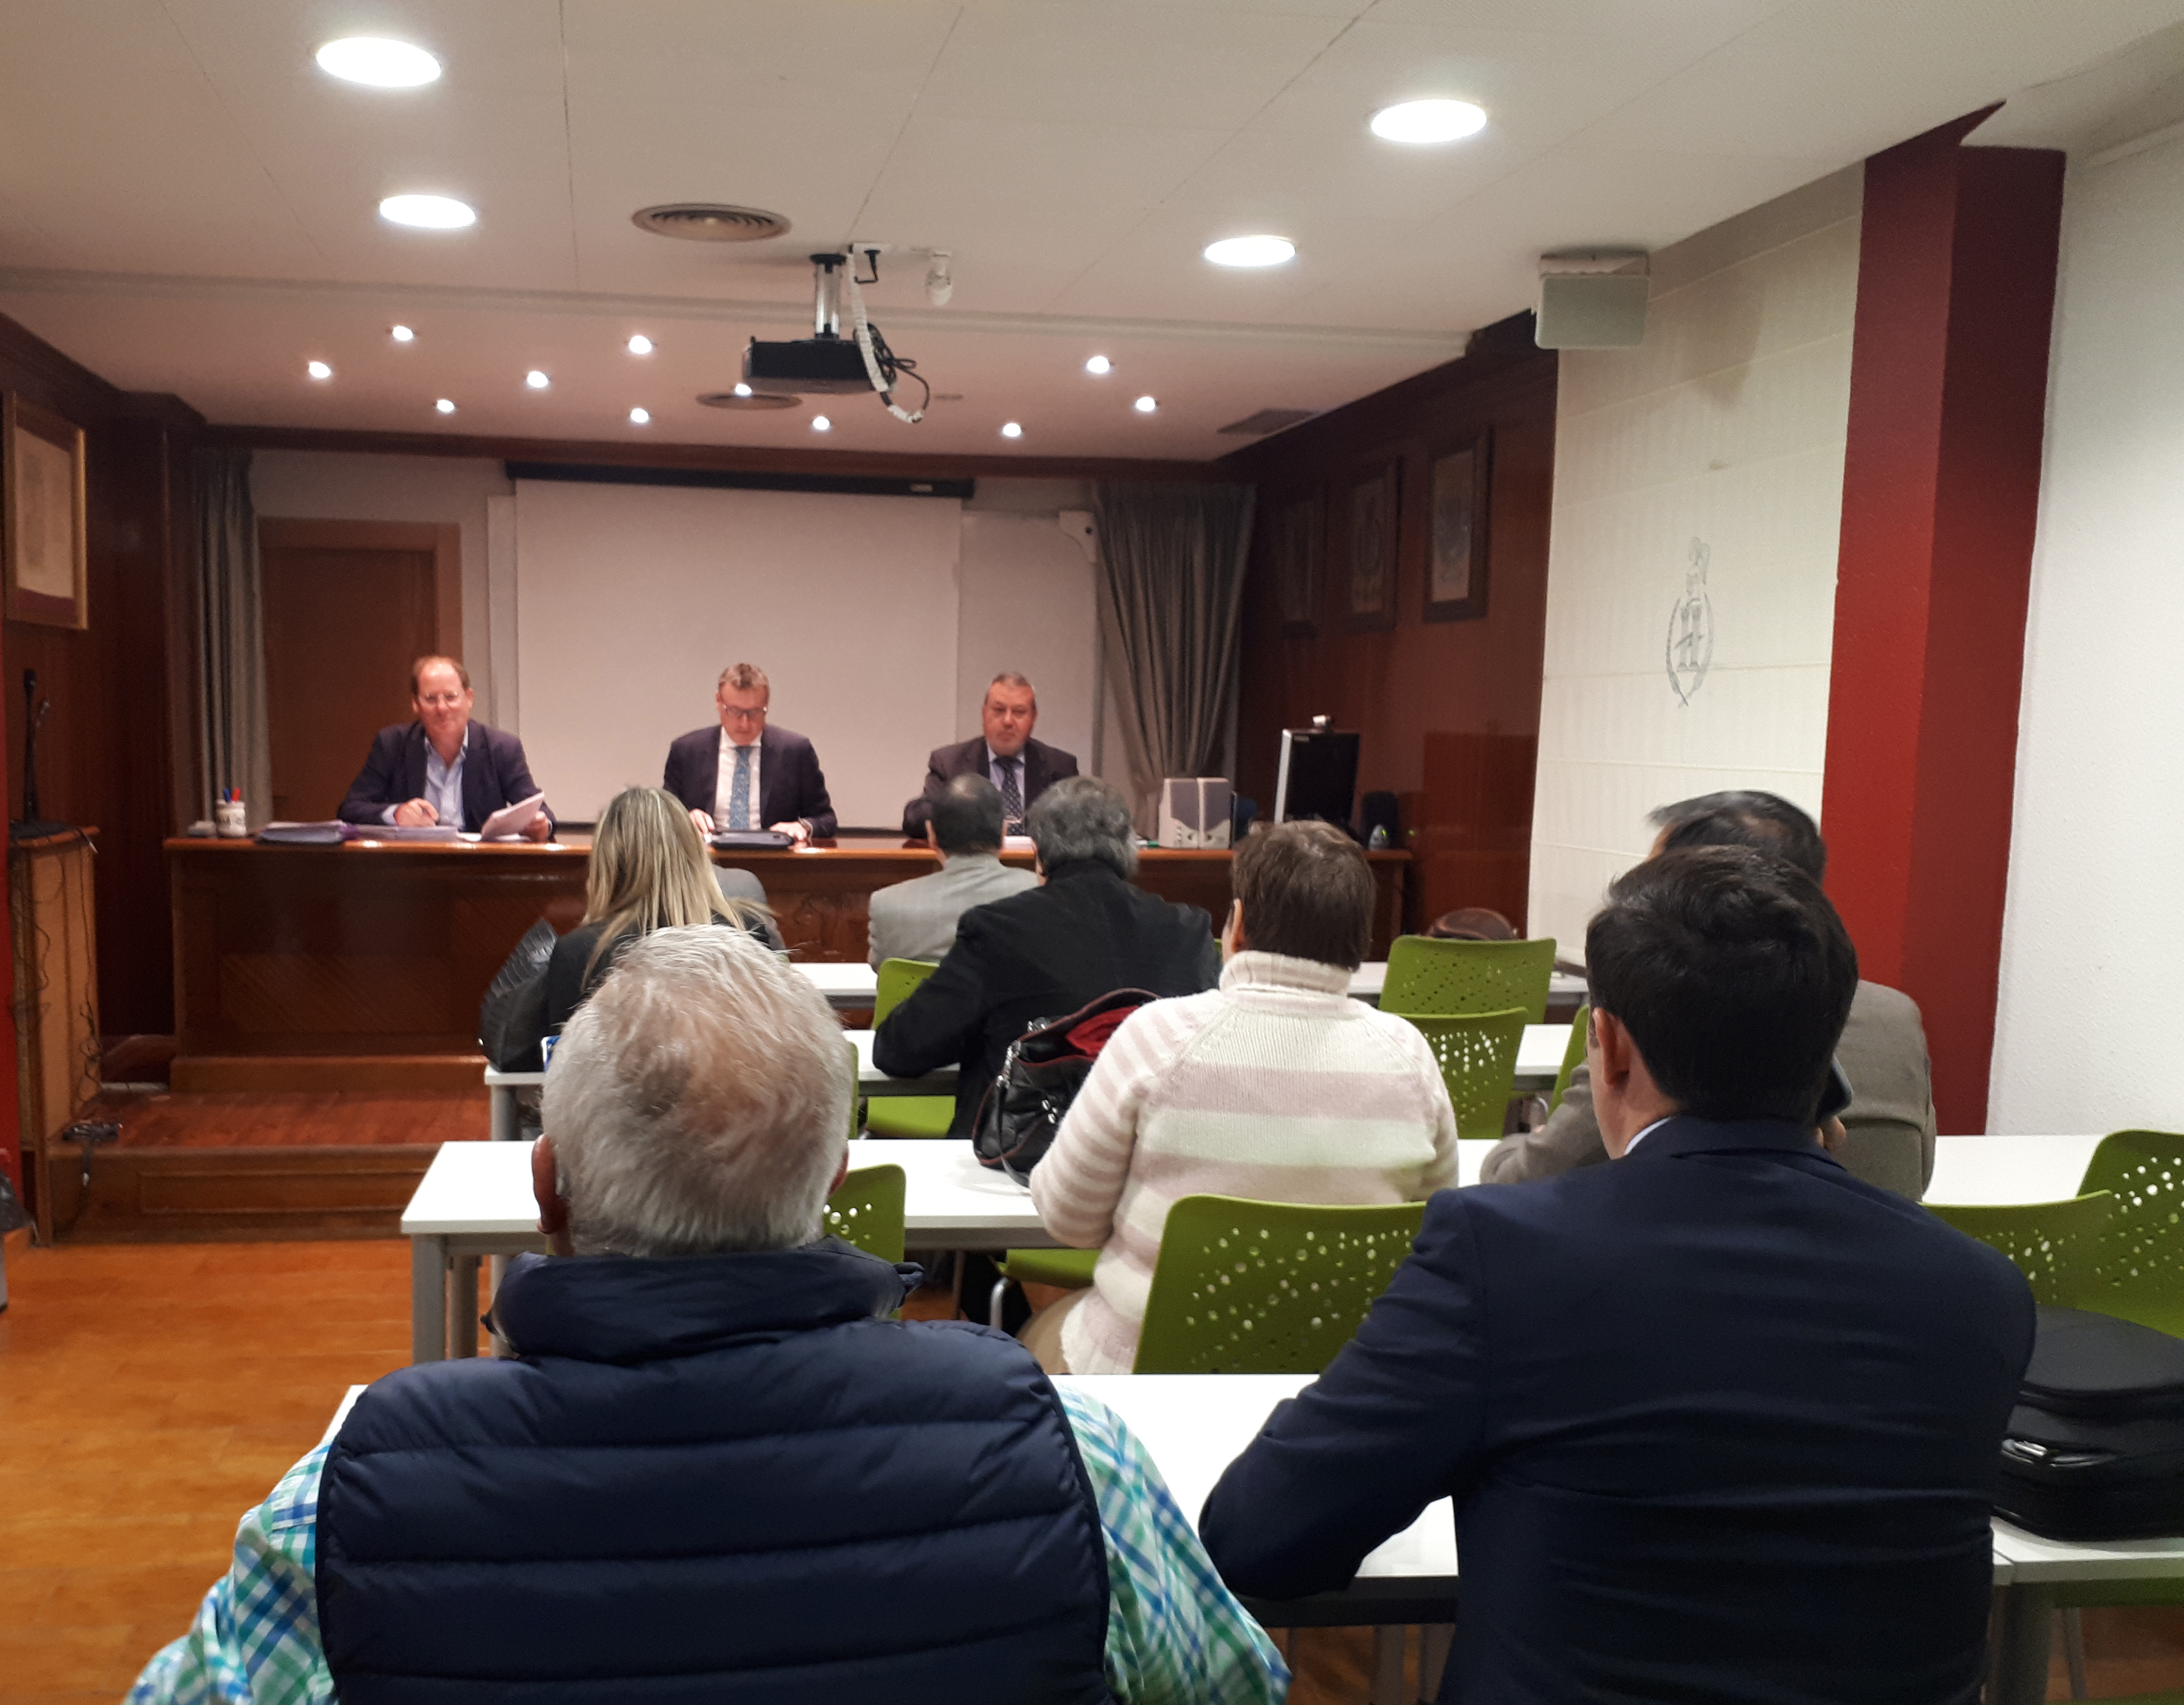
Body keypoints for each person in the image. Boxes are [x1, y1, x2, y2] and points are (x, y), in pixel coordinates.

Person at [129, 927, 1290, 1705]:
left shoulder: (347, 1497)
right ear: (838, 1186)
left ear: (548, 1190)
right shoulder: (1071, 1457)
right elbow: (1238, 1684)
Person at [1200, 847, 2035, 1704]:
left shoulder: (1507, 1255)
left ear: (1611, 1047)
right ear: (1826, 1059)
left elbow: (1259, 1535)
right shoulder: (1980, 1295)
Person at [1025, 819, 1458, 1375]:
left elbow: (1067, 1217)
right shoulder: (1409, 1054)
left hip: (1147, 1372)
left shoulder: (1157, 1037)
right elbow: (1434, 1227)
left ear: (1239, 926)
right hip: (1340, 1377)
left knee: (1033, 1340)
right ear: (1359, 938)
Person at [1484, 789, 1939, 1198]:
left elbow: (1526, 1181)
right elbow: (1918, 1172)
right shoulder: (1896, 1018)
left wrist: (1509, 1149)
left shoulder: (1656, 1013)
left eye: (1657, 880)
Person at [875, 776, 1220, 1137]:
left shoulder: (999, 929)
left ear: (1038, 852)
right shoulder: (1189, 930)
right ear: (1129, 848)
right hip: (1155, 1148)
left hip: (1024, 1151)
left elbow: (900, 1049)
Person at [540, 786, 771, 1038]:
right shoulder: (747, 929)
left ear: (607, 862)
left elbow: (563, 1059)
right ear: (692, 850)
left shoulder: (582, 953)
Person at [338, 655, 553, 837]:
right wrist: (397, 814)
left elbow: (540, 812)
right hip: (411, 865)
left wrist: (540, 825)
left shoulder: (502, 748)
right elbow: (351, 809)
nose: (442, 708)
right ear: (416, 704)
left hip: (481, 865)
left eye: (451, 697)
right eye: (431, 699)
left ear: (469, 699)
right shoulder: (392, 744)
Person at [868, 773, 1036, 968]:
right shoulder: (1040, 895)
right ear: (1004, 832)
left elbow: (881, 968)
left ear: (931, 834)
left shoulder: (887, 906)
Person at [662, 661, 837, 842]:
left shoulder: (795, 751)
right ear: (718, 701)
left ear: (766, 705)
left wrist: (803, 826)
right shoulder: (687, 751)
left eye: (755, 712)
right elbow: (662, 818)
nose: (744, 723)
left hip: (775, 857)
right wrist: (685, 818)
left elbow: (826, 819)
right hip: (706, 856)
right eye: (735, 711)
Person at [903, 672, 1079, 837]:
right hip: (974, 858)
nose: (1008, 721)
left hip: (1037, 860)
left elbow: (1077, 828)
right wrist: (961, 808)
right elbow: (915, 820)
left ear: (1033, 719)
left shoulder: (1060, 767)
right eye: (999, 710)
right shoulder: (949, 763)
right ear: (984, 714)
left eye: (1019, 712)